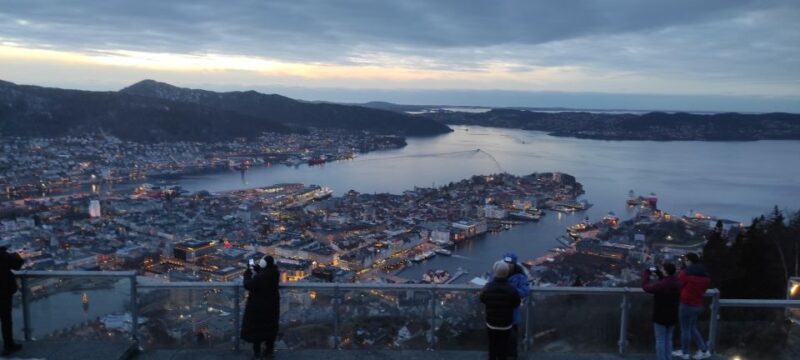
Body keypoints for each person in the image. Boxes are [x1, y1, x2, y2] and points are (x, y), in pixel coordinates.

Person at [673, 253, 712, 360]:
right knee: (692, 328)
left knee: (685, 329)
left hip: (686, 303)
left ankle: (685, 352)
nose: (685, 262)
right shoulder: (705, 276)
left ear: (690, 261)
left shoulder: (685, 274)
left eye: (686, 260)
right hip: (698, 304)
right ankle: (704, 350)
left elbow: (678, 284)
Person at [480, 261, 521, 360]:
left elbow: (482, 299)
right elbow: (516, 303)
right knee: (504, 346)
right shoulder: (512, 289)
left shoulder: (488, 287)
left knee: (492, 345)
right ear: (507, 273)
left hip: (491, 322)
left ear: (495, 272)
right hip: (506, 324)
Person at [241, 256, 280, 359]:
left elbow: (248, 285)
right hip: (272, 307)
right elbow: (266, 277)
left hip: (258, 307)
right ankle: (269, 352)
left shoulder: (261, 277)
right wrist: (258, 270)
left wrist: (247, 274)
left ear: (263, 264)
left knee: (257, 330)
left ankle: (257, 353)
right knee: (270, 329)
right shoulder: (275, 273)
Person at [641, 262, 680, 360]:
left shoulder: (662, 285)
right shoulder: (677, 282)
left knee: (660, 340)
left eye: (662, 269)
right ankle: (668, 358)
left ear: (665, 271)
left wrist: (646, 273)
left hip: (660, 315)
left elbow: (646, 287)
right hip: (673, 314)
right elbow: (666, 279)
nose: (661, 270)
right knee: (668, 339)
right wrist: (659, 273)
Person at [500, 252, 530, 359]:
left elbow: (525, 291)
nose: (508, 265)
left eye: (510, 263)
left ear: (514, 263)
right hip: (499, 313)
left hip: (512, 314)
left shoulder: (520, 275)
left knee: (512, 340)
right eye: (506, 263)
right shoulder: (496, 272)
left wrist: (509, 291)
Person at [0, 246, 23, 356]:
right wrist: (14, 254)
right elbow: (17, 265)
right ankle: (8, 346)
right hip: (3, 292)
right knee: (6, 320)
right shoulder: (2, 255)